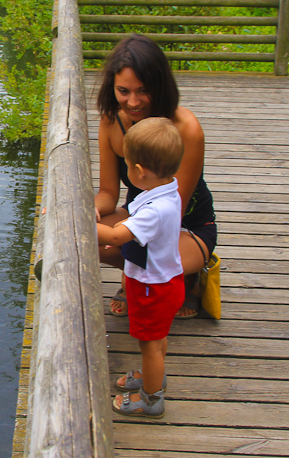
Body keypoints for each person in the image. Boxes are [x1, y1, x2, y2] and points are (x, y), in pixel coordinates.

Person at [95, 34, 216, 319]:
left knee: (137, 250)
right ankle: (139, 274)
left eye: (143, 91)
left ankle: (186, 279)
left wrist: (122, 237)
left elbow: (176, 208)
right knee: (85, 241)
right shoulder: (111, 121)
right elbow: (108, 194)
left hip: (185, 225)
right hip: (138, 213)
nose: (133, 102)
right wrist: (90, 212)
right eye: (123, 91)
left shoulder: (186, 127)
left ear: (160, 85)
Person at [96, 117, 185, 417]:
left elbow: (116, 236)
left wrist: (78, 218)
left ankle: (150, 397)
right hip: (165, 281)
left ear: (137, 171)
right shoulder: (167, 190)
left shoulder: (156, 209)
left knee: (149, 343)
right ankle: (153, 375)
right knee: (157, 339)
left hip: (152, 287)